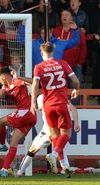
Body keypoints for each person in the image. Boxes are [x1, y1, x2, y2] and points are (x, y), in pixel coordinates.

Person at [31, 42, 80, 177]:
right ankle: (53, 154)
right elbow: (75, 80)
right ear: (53, 52)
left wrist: (32, 102)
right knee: (66, 135)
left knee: (56, 138)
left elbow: (35, 85)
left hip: (48, 106)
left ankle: (65, 168)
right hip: (61, 104)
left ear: (42, 53)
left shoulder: (38, 67)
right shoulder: (63, 63)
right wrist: (76, 89)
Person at [17, 94, 80, 177]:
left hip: (47, 130)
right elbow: (73, 109)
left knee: (31, 152)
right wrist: (76, 123)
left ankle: (20, 172)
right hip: (58, 129)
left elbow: (40, 108)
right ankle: (65, 168)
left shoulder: (41, 97)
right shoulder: (60, 96)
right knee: (59, 148)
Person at [0, 66, 37, 177]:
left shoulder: (18, 81)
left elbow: (35, 82)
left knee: (0, 122)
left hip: (25, 112)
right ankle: (4, 170)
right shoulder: (6, 87)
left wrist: (20, 77)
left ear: (4, 76)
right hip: (30, 118)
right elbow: (0, 92)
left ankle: (1, 146)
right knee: (13, 142)